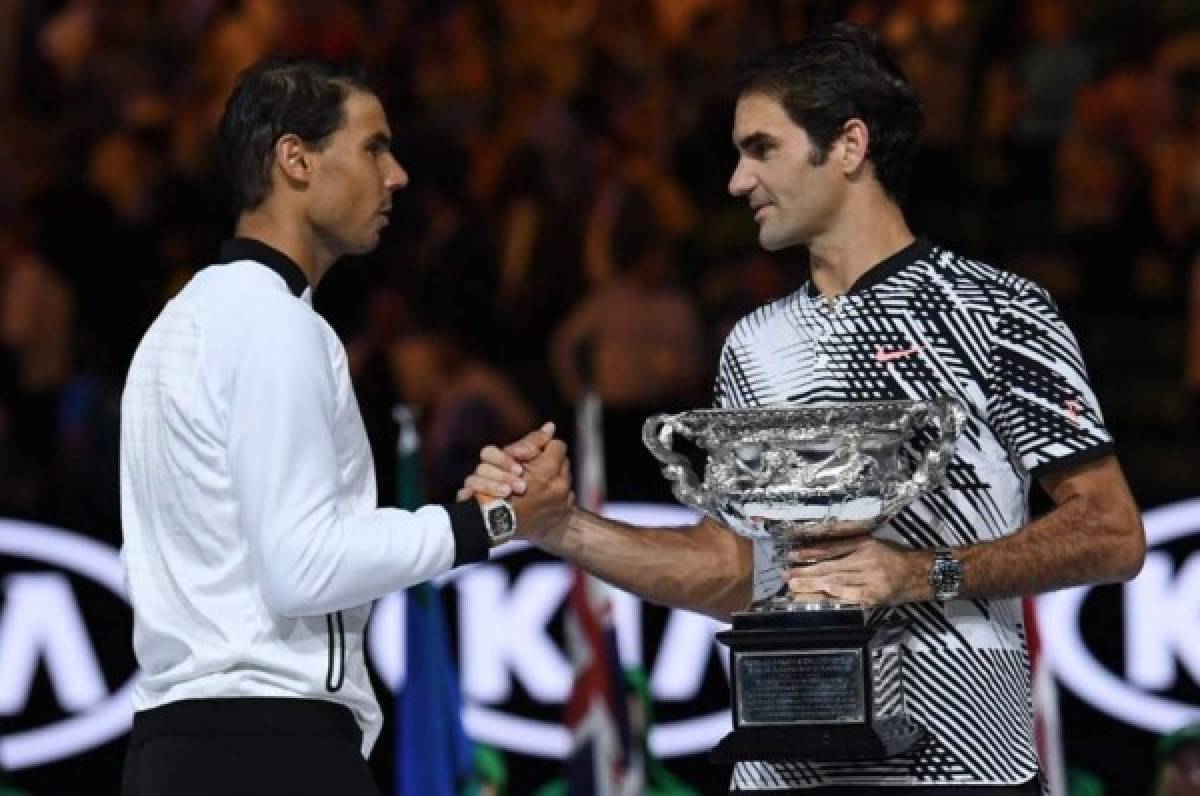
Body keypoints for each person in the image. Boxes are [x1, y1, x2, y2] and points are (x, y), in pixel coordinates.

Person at [464, 23, 1145, 795]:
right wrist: (561, 526)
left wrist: (921, 573)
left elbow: (1112, 532)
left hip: (962, 768)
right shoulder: (753, 344)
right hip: (782, 772)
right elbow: (736, 569)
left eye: (761, 148)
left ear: (848, 145)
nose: (736, 181)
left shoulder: (996, 311)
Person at [118, 57, 572, 796]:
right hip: (271, 753)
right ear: (295, 159)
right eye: (373, 147)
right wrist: (494, 520)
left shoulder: (179, 325)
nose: (396, 176)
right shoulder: (273, 323)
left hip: (175, 747)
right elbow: (303, 565)